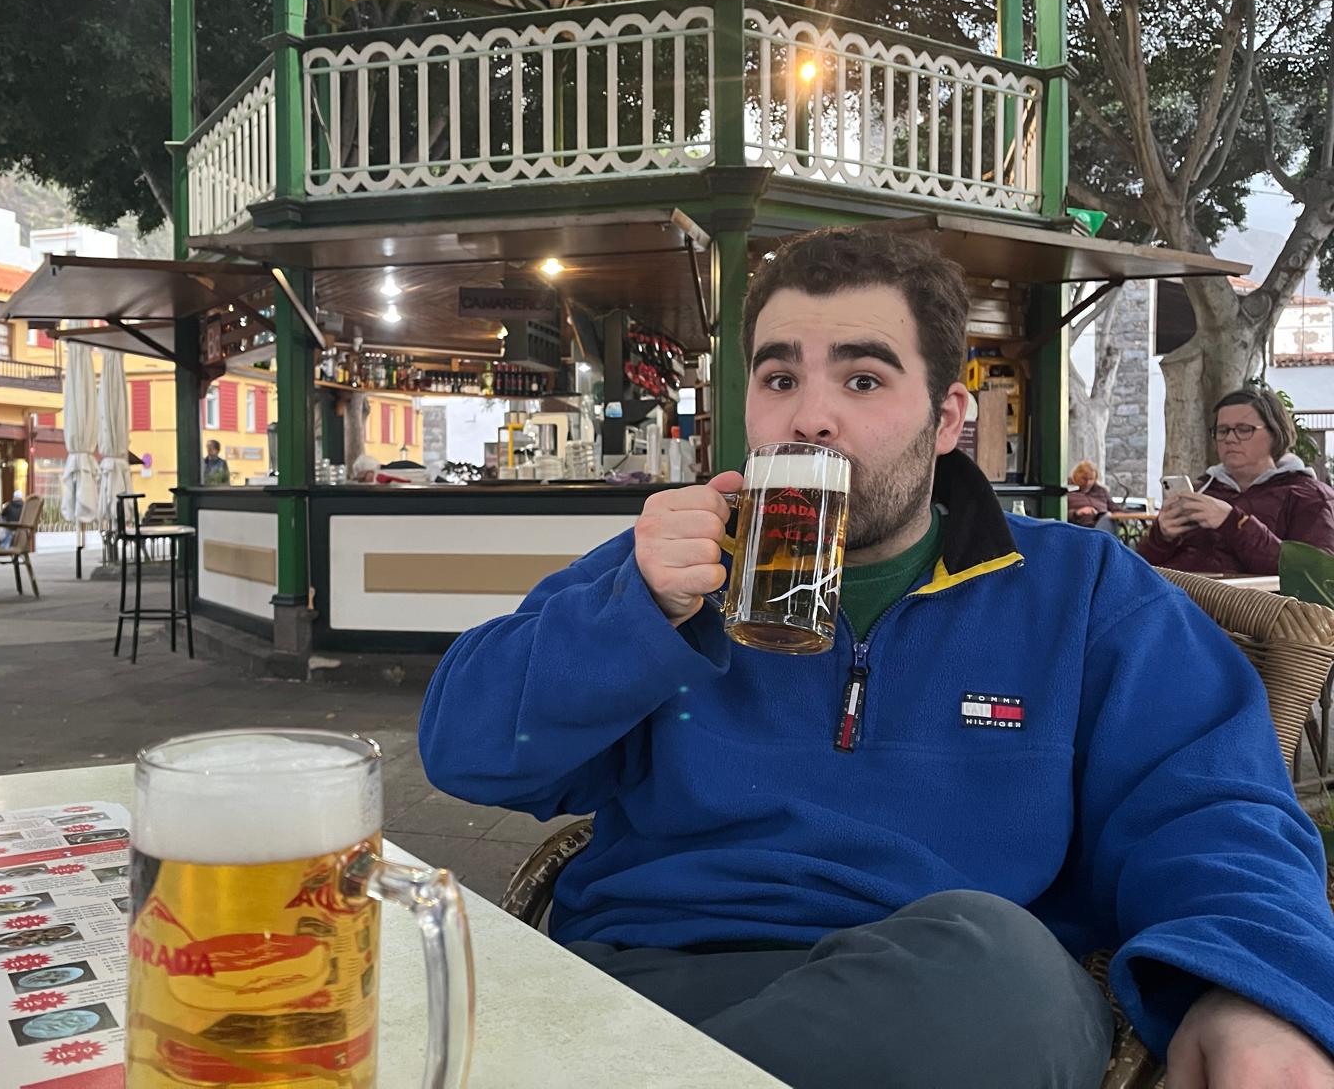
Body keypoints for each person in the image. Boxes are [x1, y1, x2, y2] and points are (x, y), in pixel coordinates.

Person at [419, 228, 1334, 1089]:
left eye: (862, 380)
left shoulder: (1079, 590)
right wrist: (635, 615)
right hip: (659, 973)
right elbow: (465, 750)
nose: (809, 418)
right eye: (779, 379)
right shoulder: (669, 573)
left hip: (949, 998)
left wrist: (1249, 984)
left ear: (945, 420)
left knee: (1001, 971)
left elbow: (1214, 807)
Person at [1138, 387, 1334, 575]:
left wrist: (1234, 523)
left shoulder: (1310, 496)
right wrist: (1161, 537)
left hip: (1253, 606)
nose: (1230, 439)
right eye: (1222, 430)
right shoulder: (1201, 491)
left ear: (1275, 433)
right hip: (1179, 599)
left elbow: (1315, 576)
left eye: (1244, 429)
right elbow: (1140, 568)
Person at [1067, 459, 1114, 527]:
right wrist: (1077, 513)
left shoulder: (1101, 491)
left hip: (1103, 522)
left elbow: (1115, 509)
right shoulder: (1067, 491)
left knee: (1108, 517)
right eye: (1084, 479)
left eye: (1091, 479)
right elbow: (1059, 514)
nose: (1088, 483)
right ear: (1075, 476)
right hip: (1079, 527)